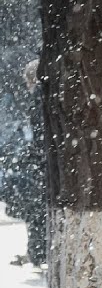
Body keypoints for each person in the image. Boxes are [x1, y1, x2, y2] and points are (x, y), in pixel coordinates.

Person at [2, 60, 49, 267]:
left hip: (43, 164)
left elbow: (40, 135)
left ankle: (38, 253)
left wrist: (30, 156)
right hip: (44, 163)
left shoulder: (39, 97)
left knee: (37, 210)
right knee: (38, 210)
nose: (27, 85)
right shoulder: (44, 95)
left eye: (27, 80)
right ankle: (38, 252)